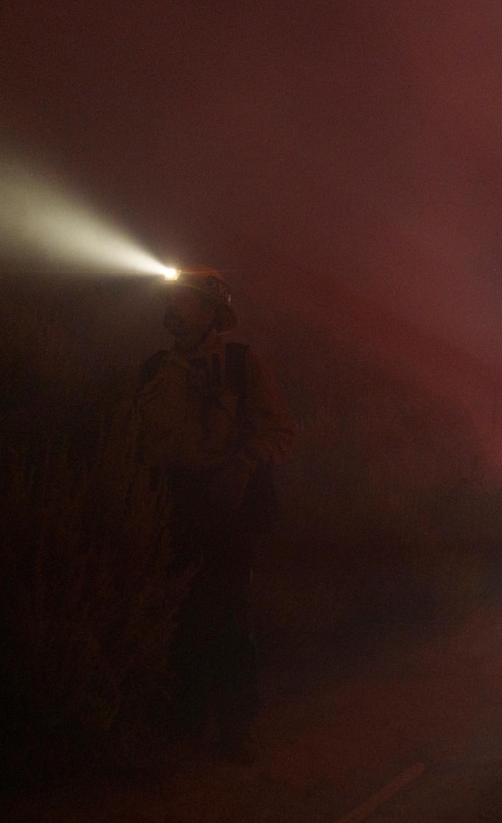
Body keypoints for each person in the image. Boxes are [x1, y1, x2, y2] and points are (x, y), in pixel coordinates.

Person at [134, 265, 295, 762]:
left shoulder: (242, 366)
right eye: (173, 300)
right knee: (176, 614)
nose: (174, 311)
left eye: (184, 300)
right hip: (170, 501)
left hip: (226, 506)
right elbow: (136, 435)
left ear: (209, 312)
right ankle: (183, 722)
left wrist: (245, 466)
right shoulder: (155, 369)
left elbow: (281, 432)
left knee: (227, 615)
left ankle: (235, 730)